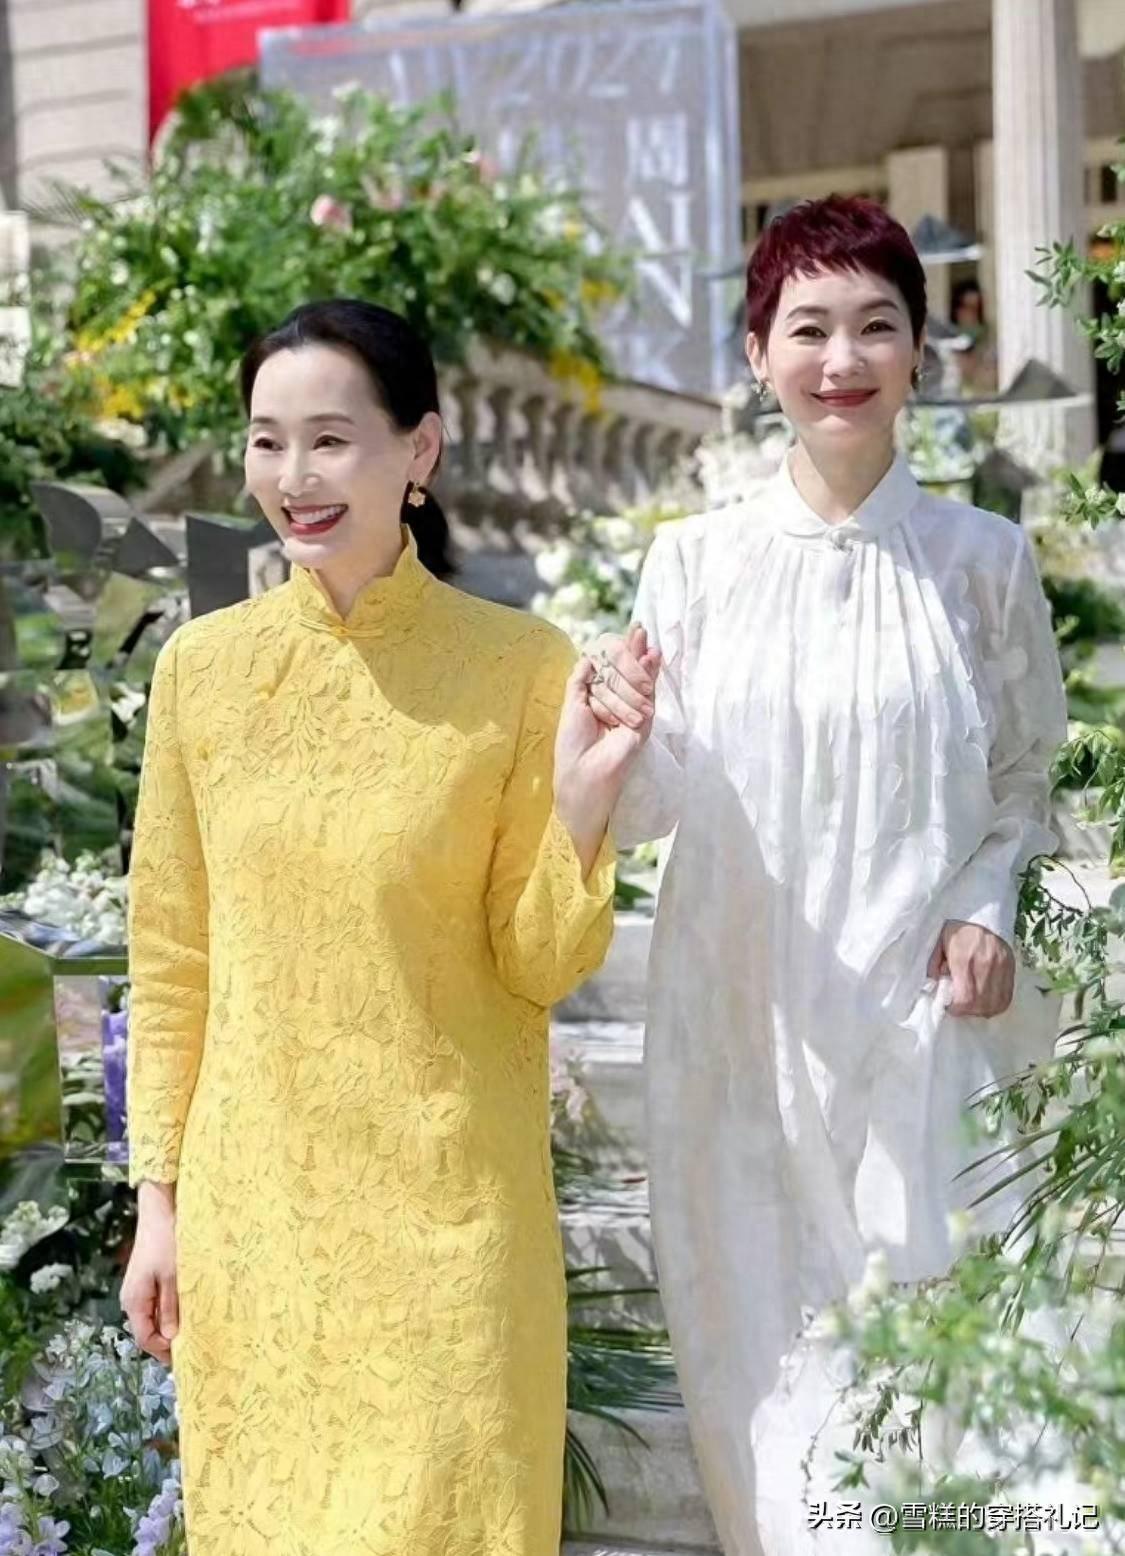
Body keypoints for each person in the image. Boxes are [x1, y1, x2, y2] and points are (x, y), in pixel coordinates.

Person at [121, 298, 652, 1555]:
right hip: (257, 1233)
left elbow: (537, 958)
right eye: (267, 441)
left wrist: (583, 809)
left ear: (420, 449)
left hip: (451, 1228)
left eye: (330, 439)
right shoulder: (201, 671)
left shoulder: (522, 666)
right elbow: (173, 954)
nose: (293, 477)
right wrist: (160, 1206)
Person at [589, 197, 1067, 1555]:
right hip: (740, 1036)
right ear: (757, 354)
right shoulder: (694, 564)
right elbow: (651, 805)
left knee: (935, 1385)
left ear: (921, 349)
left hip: (924, 1030)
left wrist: (985, 903)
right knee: (771, 1397)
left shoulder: (984, 562)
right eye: (807, 328)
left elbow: (1026, 775)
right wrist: (617, 730)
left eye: (875, 325)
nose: (841, 359)